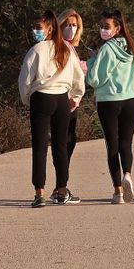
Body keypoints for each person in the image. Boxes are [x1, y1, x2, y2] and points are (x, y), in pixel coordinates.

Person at [18, 13, 85, 207]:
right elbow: (78, 76)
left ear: (50, 29)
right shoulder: (65, 49)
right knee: (60, 145)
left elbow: (24, 80)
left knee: (40, 146)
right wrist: (75, 96)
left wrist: (27, 99)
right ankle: (62, 189)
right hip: (62, 98)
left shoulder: (36, 50)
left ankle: (39, 192)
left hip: (42, 97)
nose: (36, 31)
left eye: (39, 28)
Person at [87, 10, 134, 204]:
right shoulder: (133, 48)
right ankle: (127, 174)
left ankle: (118, 191)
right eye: (101, 26)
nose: (102, 30)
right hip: (131, 100)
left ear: (117, 28)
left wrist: (92, 61)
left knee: (112, 145)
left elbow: (95, 78)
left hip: (109, 100)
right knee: (126, 143)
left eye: (106, 26)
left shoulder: (107, 49)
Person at [58, 10, 88, 162]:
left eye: (74, 25)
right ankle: (62, 178)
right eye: (67, 24)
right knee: (66, 140)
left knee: (70, 137)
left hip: (73, 101)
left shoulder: (70, 47)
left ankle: (63, 176)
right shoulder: (61, 46)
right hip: (67, 98)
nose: (71, 28)